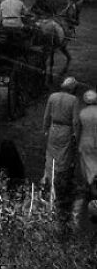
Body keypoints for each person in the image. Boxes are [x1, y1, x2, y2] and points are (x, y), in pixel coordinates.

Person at [40, 77, 79, 223]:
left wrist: (45, 129)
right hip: (66, 131)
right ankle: (59, 183)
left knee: (50, 155)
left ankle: (48, 179)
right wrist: (76, 134)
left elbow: (46, 115)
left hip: (53, 129)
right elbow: (75, 120)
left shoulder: (53, 97)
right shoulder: (74, 100)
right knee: (64, 157)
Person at [73, 91, 97, 225]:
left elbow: (77, 129)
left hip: (86, 143)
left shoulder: (82, 113)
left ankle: (90, 185)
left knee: (87, 166)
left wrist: (76, 142)